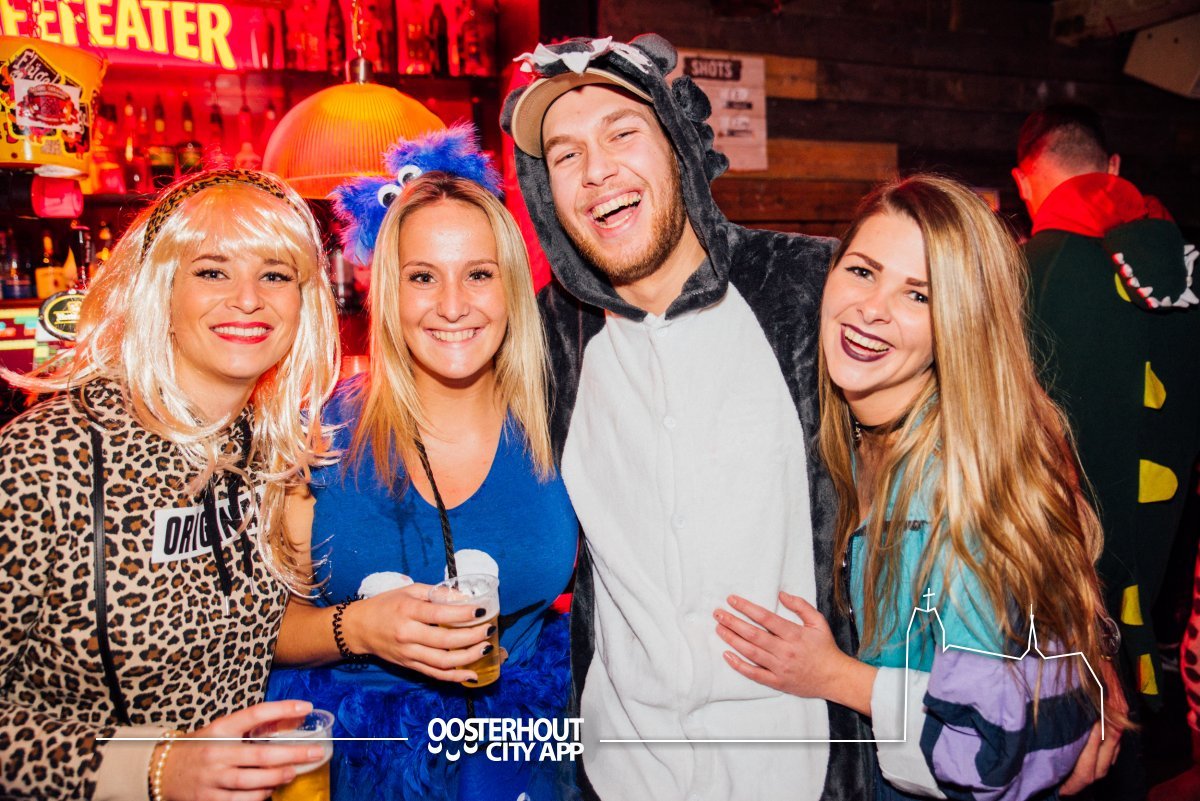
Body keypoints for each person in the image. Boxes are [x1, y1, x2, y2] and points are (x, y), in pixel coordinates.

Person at [501, 33, 873, 800]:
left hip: (798, 768)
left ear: (676, 141)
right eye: (566, 154)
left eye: (622, 133)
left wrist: (1075, 641)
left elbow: (984, 424)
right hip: (620, 772)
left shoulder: (808, 286)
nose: (596, 171)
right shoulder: (545, 338)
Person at [714, 174, 1128, 800]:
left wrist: (833, 675)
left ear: (960, 322)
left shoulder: (958, 484)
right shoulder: (843, 428)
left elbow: (987, 745)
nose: (872, 308)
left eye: (918, 295)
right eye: (862, 271)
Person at [0, 169, 342, 800]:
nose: (248, 299)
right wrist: (156, 767)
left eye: (275, 275)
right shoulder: (46, 457)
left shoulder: (268, 451)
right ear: (159, 290)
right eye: (212, 271)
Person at [266, 127, 578, 801]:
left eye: (479, 274)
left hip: (521, 759)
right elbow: (258, 632)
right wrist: (359, 628)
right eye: (423, 277)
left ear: (511, 285)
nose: (453, 305)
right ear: (389, 289)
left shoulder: (563, 424)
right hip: (358, 763)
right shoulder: (316, 438)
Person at [1013, 105, 1200, 798]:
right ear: (1113, 167)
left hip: (1049, 595)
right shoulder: (1185, 269)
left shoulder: (1024, 272)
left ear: (1024, 180)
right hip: (1156, 579)